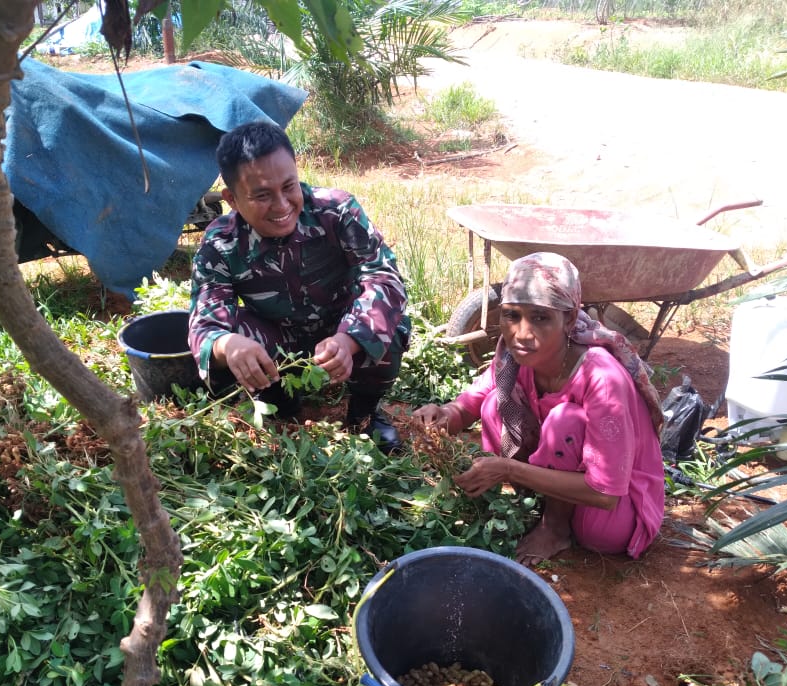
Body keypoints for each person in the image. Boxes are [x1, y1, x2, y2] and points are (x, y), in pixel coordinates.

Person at [413, 252, 665, 566]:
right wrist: (442, 415)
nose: (521, 333)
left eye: (540, 317)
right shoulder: (514, 357)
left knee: (564, 422)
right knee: (494, 404)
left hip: (611, 513)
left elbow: (605, 493)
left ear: (570, 319)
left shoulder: (601, 377)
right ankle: (529, 506)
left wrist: (508, 469)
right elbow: (470, 404)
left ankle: (555, 528)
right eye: (511, 315)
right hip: (560, 480)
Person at [188, 121, 410, 454]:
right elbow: (204, 321)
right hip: (278, 337)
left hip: (340, 329)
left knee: (388, 325)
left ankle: (364, 415)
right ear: (232, 200)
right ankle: (279, 403)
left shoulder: (337, 211)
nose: (281, 205)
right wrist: (227, 344)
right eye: (262, 195)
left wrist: (350, 339)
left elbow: (384, 277)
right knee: (226, 342)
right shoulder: (221, 242)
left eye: (288, 186)